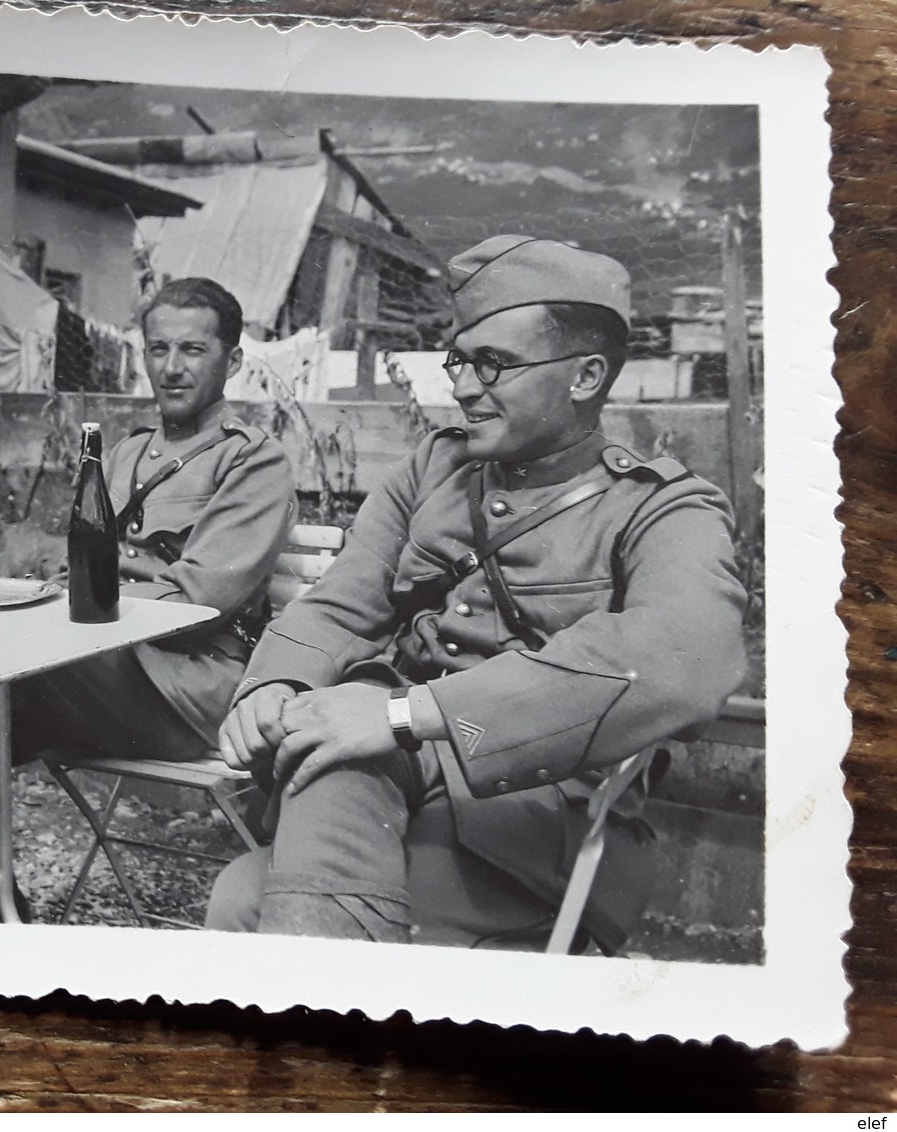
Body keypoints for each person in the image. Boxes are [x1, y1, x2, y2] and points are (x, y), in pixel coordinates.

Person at [205, 236, 748, 952]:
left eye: (494, 363)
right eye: (460, 359)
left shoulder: (661, 508)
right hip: (390, 779)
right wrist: (272, 684)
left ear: (586, 375)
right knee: (290, 821)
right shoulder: (434, 469)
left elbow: (685, 662)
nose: (461, 386)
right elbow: (342, 601)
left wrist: (404, 714)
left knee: (250, 901)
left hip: (536, 822)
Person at [0, 277, 297, 918]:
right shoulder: (123, 454)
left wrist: (106, 567)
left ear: (232, 361)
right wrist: (119, 573)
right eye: (158, 350)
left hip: (189, 685)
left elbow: (197, 603)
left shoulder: (252, 463)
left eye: (193, 350)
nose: (172, 368)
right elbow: (70, 567)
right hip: (100, 663)